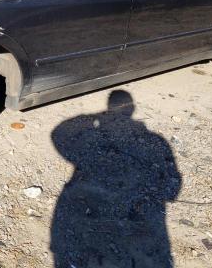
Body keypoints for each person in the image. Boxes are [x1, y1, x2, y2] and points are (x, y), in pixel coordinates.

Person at [50, 90, 182, 268]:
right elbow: (172, 189)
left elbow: (58, 133)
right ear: (132, 108)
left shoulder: (151, 141)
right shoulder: (155, 141)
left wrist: (95, 116)